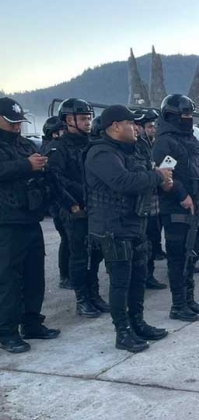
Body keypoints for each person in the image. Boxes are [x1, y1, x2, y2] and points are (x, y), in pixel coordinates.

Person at [84, 105, 171, 352]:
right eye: (130, 124)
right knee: (121, 282)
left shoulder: (132, 150)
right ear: (115, 126)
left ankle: (137, 323)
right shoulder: (100, 152)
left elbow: (141, 176)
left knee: (138, 278)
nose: (135, 128)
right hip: (113, 227)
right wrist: (157, 176)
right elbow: (122, 182)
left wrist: (157, 177)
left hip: (135, 223)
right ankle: (122, 332)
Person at [0, 97, 67, 353]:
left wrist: (41, 165)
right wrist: (25, 165)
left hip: (29, 217)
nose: (17, 127)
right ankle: (6, 331)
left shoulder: (25, 144)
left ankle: (31, 322)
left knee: (34, 275)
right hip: (5, 222)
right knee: (7, 279)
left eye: (19, 122)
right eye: (11, 122)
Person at [152, 94, 199, 322]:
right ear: (173, 116)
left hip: (197, 205)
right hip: (177, 209)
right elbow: (164, 176)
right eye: (185, 114)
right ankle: (178, 305)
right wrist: (182, 194)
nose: (189, 118)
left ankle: (188, 299)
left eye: (190, 114)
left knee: (192, 256)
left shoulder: (190, 139)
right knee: (178, 257)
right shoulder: (165, 142)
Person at [48, 98, 109, 318]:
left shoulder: (92, 143)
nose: (87, 122)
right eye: (83, 118)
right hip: (73, 209)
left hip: (95, 208)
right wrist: (72, 204)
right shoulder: (58, 148)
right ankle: (82, 298)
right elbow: (55, 180)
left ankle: (94, 294)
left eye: (89, 118)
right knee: (79, 254)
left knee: (96, 253)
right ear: (68, 120)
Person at [132, 109, 167, 290]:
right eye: (149, 126)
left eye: (154, 126)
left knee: (152, 239)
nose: (153, 129)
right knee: (142, 242)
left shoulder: (152, 144)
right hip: (141, 201)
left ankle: (149, 274)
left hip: (154, 198)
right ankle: (142, 276)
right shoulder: (135, 146)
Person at [41, 116, 72, 289]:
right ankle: (65, 275)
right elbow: (56, 179)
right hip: (59, 204)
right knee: (67, 240)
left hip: (59, 203)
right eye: (62, 130)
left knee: (68, 240)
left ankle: (67, 274)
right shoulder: (52, 150)